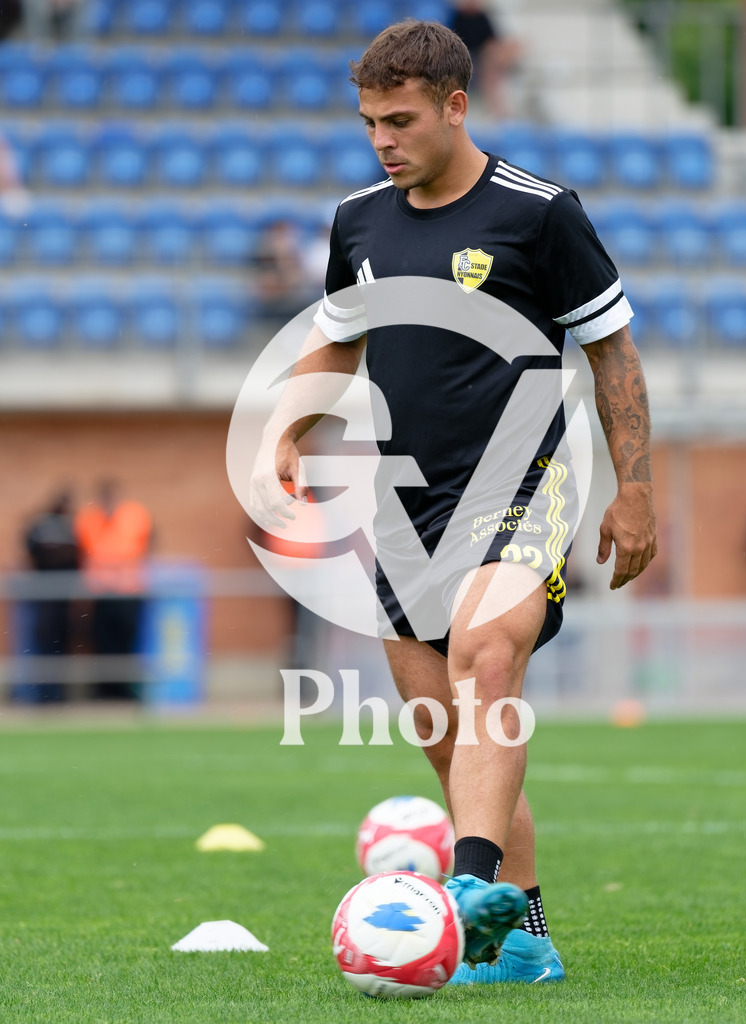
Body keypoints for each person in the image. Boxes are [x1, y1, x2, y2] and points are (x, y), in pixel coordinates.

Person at [249, 19, 656, 985]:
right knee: (455, 742)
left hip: (520, 492)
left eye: (399, 120)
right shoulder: (359, 221)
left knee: (485, 664)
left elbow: (614, 355)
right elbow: (338, 336)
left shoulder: (539, 213)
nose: (382, 140)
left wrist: (633, 490)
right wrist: (283, 431)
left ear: (455, 106)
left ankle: (460, 890)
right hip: (401, 510)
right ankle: (522, 936)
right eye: (368, 124)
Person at [75, 479, 154, 700]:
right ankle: (105, 690)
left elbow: (140, 546)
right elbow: (88, 549)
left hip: (128, 590)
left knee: (127, 643)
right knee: (103, 643)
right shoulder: (90, 519)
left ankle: (125, 690)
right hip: (101, 592)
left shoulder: (135, 515)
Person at [22, 488, 79, 702]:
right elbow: (31, 552)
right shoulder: (43, 526)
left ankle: (57, 693)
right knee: (45, 644)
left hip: (62, 599)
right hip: (44, 596)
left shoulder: (71, 526)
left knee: (61, 644)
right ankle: (43, 693)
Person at [448, 1, 521, 119]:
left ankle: (500, 111)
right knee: (489, 69)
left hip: (482, 61)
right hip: (464, 61)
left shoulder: (482, 17)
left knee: (502, 54)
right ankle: (499, 110)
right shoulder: (456, 17)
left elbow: (492, 42)